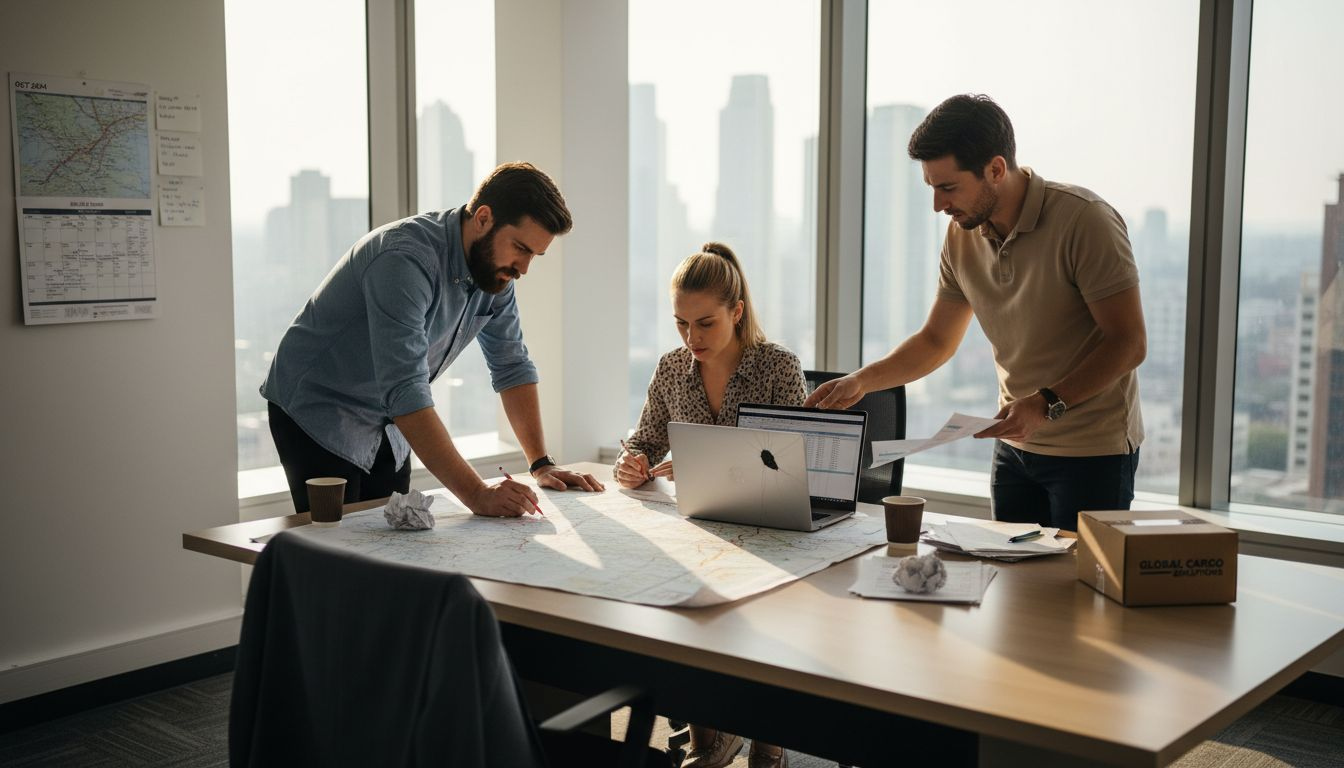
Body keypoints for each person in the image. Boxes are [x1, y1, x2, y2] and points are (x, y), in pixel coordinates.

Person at [807, 94, 1146, 532]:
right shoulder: (960, 236)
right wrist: (863, 381)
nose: (938, 205)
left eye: (948, 188)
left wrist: (1045, 404)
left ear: (996, 170)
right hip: (1013, 447)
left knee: (1080, 595)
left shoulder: (1085, 221)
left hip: (1093, 454)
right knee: (1015, 591)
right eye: (931, 188)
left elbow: (1129, 342)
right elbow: (935, 341)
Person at [261, 162, 603, 517]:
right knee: (343, 549)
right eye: (520, 247)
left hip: (387, 419)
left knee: (396, 536)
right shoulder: (404, 259)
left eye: (534, 254)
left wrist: (541, 464)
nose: (524, 268)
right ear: (484, 218)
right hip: (320, 408)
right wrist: (477, 494)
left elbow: (512, 364)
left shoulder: (497, 273)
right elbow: (405, 390)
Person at [615, 241, 801, 768]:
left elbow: (787, 463)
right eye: (680, 324)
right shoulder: (672, 368)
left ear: (736, 312)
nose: (691, 338)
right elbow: (646, 439)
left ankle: (769, 742)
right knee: (688, 611)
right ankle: (710, 736)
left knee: (763, 621)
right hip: (699, 527)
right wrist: (632, 461)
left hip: (768, 528)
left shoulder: (778, 366)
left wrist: (708, 465)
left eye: (705, 323)